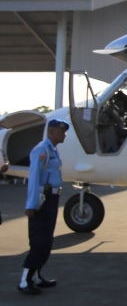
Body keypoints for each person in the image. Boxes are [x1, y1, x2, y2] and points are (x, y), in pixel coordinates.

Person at [19, 119, 70, 295]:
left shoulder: (52, 150)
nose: (64, 135)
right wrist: (31, 204)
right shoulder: (42, 150)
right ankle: (26, 280)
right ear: (52, 132)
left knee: (46, 240)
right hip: (42, 199)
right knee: (39, 241)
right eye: (62, 132)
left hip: (51, 198)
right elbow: (33, 178)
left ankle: (36, 276)